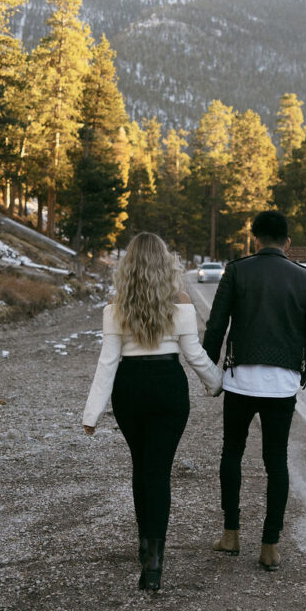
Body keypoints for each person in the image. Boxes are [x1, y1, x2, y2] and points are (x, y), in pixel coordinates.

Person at [83, 232, 223, 592]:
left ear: (128, 266)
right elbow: (194, 356)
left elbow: (108, 362)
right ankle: (155, 561)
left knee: (140, 467)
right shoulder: (181, 303)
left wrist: (92, 413)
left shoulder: (116, 307)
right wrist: (217, 383)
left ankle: (145, 543)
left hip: (129, 390)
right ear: (166, 264)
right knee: (158, 472)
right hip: (168, 389)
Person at [202, 210, 306, 571]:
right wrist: (301, 371)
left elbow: (215, 327)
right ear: (287, 242)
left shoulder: (237, 270)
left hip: (240, 380)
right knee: (277, 462)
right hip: (282, 385)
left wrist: (212, 372)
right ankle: (270, 545)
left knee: (232, 453)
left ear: (254, 238)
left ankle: (230, 534)